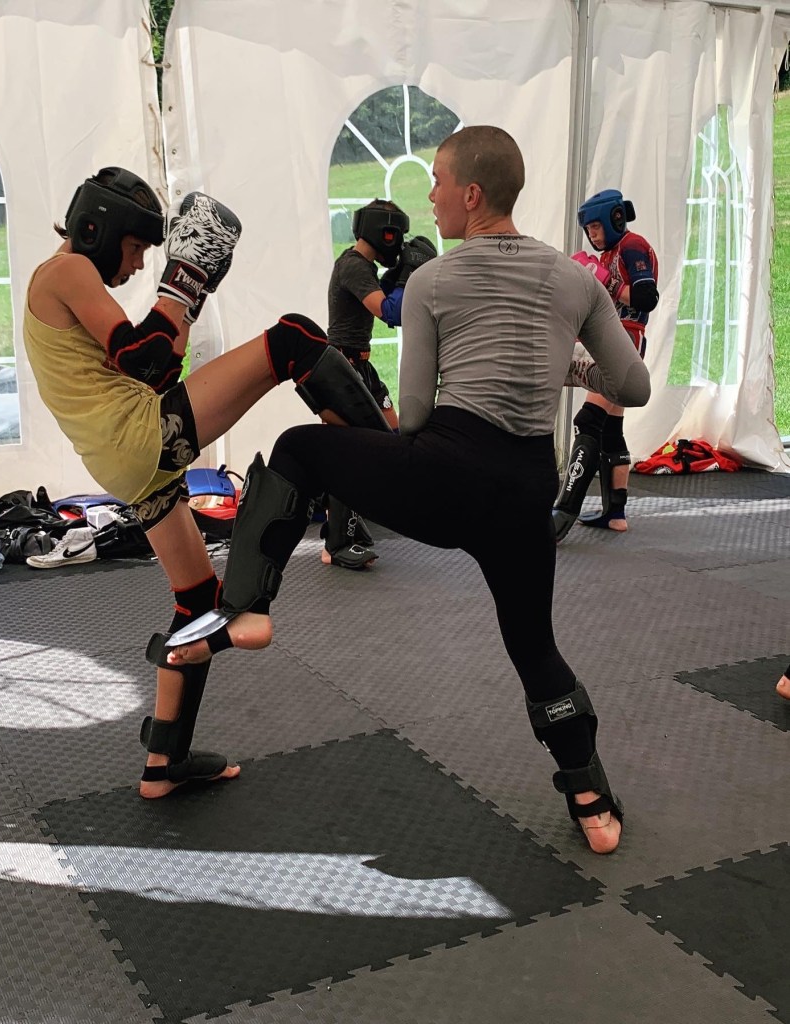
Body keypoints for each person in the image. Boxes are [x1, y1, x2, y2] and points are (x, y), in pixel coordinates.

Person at [162, 126, 651, 855]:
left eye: (439, 182)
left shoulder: (431, 282)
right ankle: (592, 802)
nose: (431, 195)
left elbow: (415, 415)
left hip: (446, 480)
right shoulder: (576, 279)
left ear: (472, 194)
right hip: (526, 493)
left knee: (299, 449)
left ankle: (246, 608)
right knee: (534, 647)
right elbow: (633, 386)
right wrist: (567, 368)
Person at [22, 166, 387, 799]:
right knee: (295, 339)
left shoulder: (59, 282)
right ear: (98, 228)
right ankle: (393, 465)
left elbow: (157, 369)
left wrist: (187, 298)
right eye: (135, 248)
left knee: (196, 599)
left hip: (122, 462)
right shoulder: (68, 270)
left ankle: (164, 762)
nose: (138, 264)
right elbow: (145, 359)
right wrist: (185, 278)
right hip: (141, 436)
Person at [322, 199, 436, 568]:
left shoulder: (363, 267)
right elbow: (391, 311)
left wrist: (404, 273)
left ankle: (352, 518)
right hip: (342, 368)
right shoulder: (353, 265)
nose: (398, 242)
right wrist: (409, 274)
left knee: (393, 436)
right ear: (382, 231)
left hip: (360, 366)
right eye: (395, 235)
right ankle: (335, 543)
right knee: (348, 450)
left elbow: (386, 295)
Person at [552, 190, 659, 541]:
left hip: (625, 341)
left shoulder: (633, 246)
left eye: (597, 227)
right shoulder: (610, 253)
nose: (593, 235)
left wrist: (605, 280)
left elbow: (646, 297)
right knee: (611, 429)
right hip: (613, 340)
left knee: (588, 420)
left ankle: (563, 512)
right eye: (589, 230)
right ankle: (616, 513)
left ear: (615, 219)